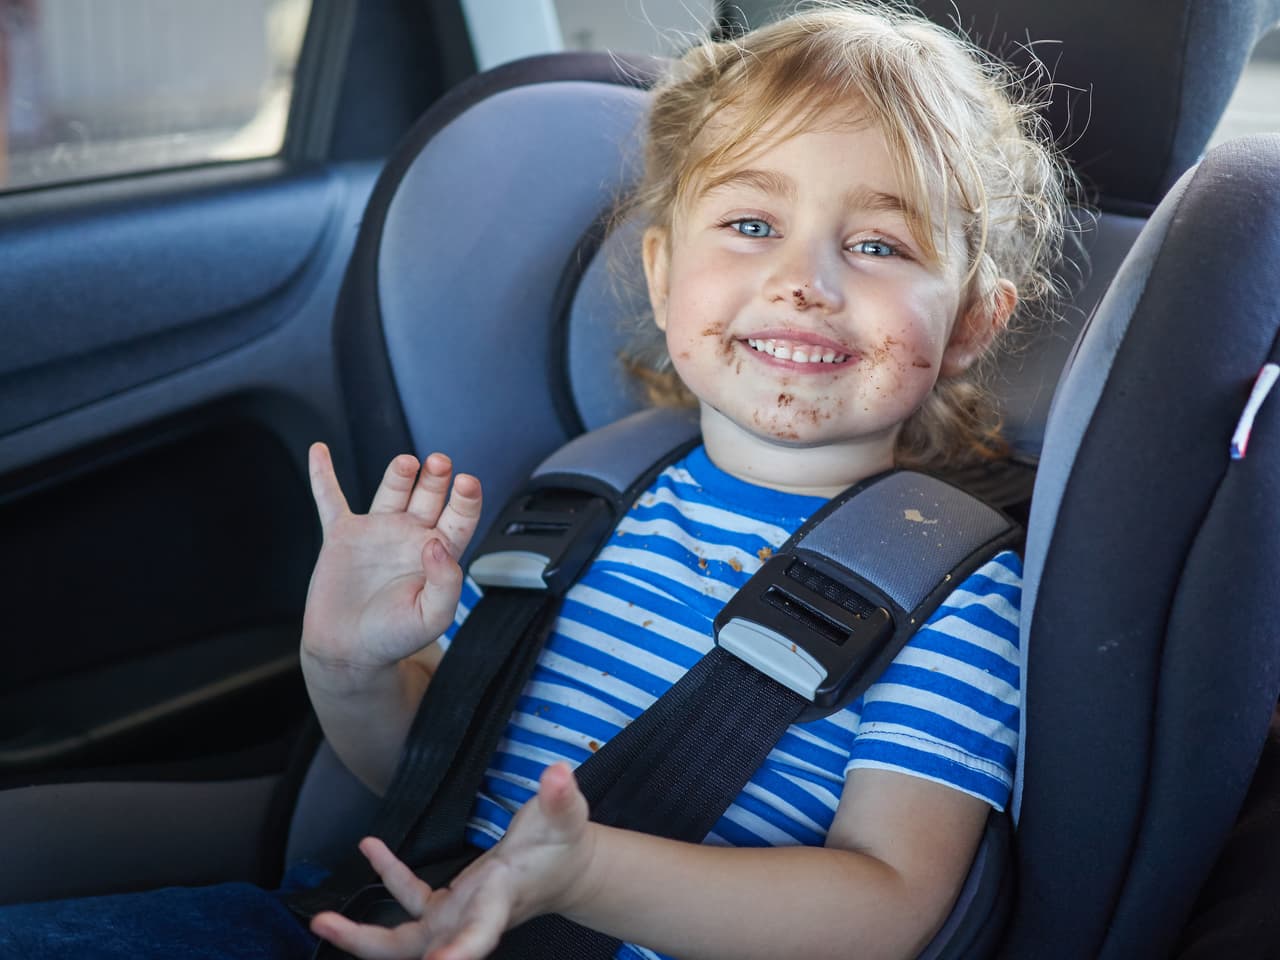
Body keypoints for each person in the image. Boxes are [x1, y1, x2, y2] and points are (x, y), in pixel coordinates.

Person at [0, 4, 1068, 959]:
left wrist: (587, 873)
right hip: (377, 916)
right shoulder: (584, 497)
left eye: (878, 243)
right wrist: (350, 667)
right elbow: (419, 769)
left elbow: (890, 908)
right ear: (659, 274)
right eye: (750, 224)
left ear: (972, 321)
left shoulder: (947, 593)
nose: (804, 279)